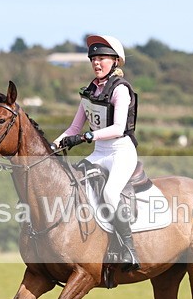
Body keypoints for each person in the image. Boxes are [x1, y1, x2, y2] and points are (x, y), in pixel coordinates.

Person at [53, 34, 140, 272]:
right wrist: (52, 146)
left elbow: (118, 128)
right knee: (73, 186)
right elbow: (73, 128)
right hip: (99, 153)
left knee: (111, 194)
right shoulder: (90, 91)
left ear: (115, 62)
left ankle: (128, 248)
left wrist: (87, 137)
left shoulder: (120, 89)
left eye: (102, 58)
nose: (97, 63)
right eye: (94, 59)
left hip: (121, 152)